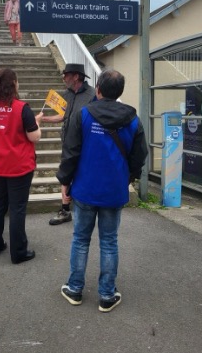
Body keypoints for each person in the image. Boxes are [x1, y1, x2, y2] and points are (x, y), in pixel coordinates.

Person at [57, 69, 148, 312]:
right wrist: (128, 176)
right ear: (120, 92)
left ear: (97, 89)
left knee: (80, 239)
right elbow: (140, 156)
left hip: (85, 189)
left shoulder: (83, 114)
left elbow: (71, 151)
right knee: (109, 242)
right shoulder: (133, 120)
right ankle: (107, 295)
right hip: (113, 191)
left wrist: (65, 182)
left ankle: (74, 289)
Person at [0, 68, 43, 264]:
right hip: (18, 165)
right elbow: (34, 136)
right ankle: (18, 252)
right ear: (14, 84)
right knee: (17, 208)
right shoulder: (21, 108)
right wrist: (36, 123)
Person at [41, 63, 95, 226]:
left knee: (83, 174)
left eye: (66, 75)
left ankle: (86, 207)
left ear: (76, 77)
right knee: (65, 175)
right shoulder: (66, 94)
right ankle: (64, 210)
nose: (63, 78)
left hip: (85, 144)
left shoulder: (92, 95)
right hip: (67, 142)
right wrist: (44, 119)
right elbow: (63, 116)